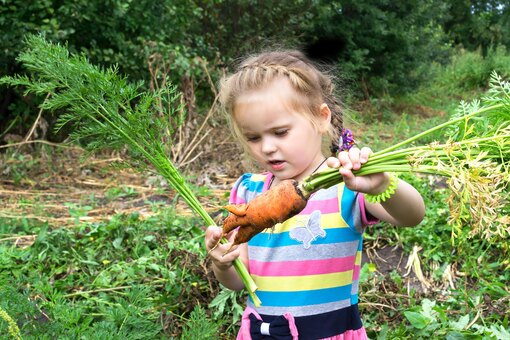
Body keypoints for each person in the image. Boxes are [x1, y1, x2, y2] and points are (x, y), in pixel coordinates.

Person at [205, 50, 425, 339]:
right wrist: (222, 263)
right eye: (254, 137)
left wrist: (383, 186)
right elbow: (237, 282)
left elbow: (413, 215)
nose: (267, 147)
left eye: (280, 132)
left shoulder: (346, 185)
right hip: (262, 332)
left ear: (322, 118)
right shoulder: (248, 191)